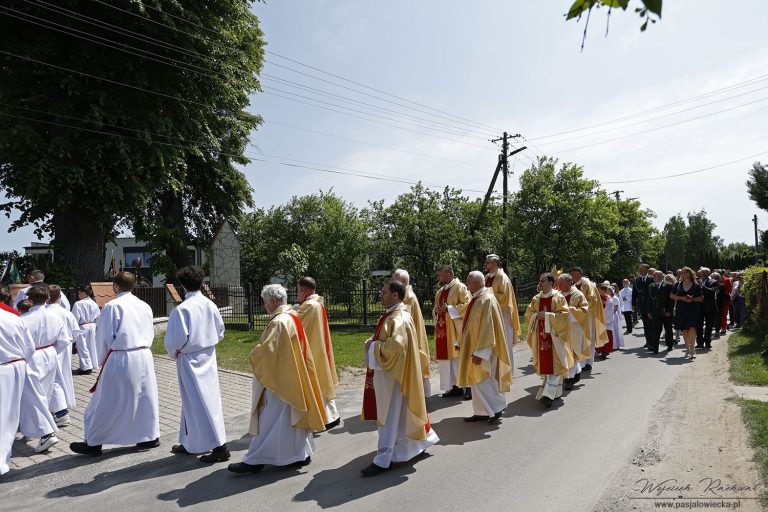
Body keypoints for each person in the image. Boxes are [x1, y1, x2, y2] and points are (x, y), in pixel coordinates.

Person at [229, 284, 326, 474]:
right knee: (291, 419)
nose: (264, 306)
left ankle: (254, 460)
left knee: (268, 419)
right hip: (292, 376)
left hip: (280, 381)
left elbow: (268, 352)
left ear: (273, 301)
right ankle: (299, 455)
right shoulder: (292, 316)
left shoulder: (279, 322)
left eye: (265, 302)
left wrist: (255, 353)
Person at [70, 272, 160, 456]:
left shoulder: (112, 307)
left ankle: (94, 442)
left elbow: (103, 336)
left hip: (121, 356)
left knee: (105, 400)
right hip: (144, 355)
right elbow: (150, 331)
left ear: (115, 286)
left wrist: (102, 359)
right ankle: (149, 436)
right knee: (144, 397)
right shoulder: (144, 305)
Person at [360, 280, 438, 476]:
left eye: (384, 292)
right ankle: (415, 445)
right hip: (394, 374)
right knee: (402, 413)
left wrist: (373, 347)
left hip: (393, 376)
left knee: (389, 415)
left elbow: (395, 349)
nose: (380, 294)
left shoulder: (399, 318)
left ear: (395, 295)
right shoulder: (394, 314)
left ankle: (383, 458)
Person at [164, 266, 229, 463]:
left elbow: (174, 341)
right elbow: (220, 331)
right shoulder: (210, 305)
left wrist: (174, 353)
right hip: (208, 356)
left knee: (200, 402)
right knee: (195, 401)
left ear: (183, 286)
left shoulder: (181, 310)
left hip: (189, 359)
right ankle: (189, 440)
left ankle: (220, 447)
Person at [18, 285, 68, 453]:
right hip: (50, 354)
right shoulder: (55, 316)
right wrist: (53, 352)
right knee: (43, 395)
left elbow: (21, 345)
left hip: (32, 358)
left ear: (29, 300)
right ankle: (33, 429)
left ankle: (46, 433)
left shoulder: (23, 320)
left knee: (33, 397)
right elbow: (64, 340)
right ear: (47, 298)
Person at [457, 271, 512, 424]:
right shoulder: (477, 298)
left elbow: (488, 329)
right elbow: (469, 324)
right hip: (475, 348)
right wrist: (460, 342)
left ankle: (496, 408)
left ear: (477, 282)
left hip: (484, 350)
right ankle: (481, 411)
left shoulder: (486, 299)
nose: (466, 283)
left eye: (469, 280)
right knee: (476, 381)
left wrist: (481, 352)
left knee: (485, 380)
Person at [295, 276, 340, 429]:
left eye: (298, 290)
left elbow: (294, 323)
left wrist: (297, 305)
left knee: (316, 383)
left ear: (304, 290)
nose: (297, 292)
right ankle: (331, 416)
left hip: (312, 350)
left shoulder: (308, 306)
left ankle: (325, 418)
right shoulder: (317, 303)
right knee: (322, 381)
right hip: (318, 346)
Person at [525, 273, 573, 408]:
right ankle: (554, 391)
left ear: (551, 283)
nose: (540, 283)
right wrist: (535, 316)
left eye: (542, 281)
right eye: (539, 281)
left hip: (555, 337)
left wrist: (546, 316)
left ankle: (548, 395)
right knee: (546, 366)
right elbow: (529, 314)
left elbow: (564, 315)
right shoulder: (536, 299)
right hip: (540, 336)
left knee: (556, 364)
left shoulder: (558, 298)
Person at [0, 305, 35, 476]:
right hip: (15, 366)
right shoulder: (14, 318)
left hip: (7, 366)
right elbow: (29, 347)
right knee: (9, 415)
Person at [432, 265, 471, 399]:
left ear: (449, 274)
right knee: (449, 361)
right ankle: (455, 386)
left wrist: (449, 308)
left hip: (456, 331)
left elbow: (468, 305)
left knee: (460, 358)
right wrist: (436, 311)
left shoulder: (460, 287)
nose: (439, 278)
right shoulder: (440, 291)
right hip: (444, 331)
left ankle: (468, 387)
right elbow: (435, 309)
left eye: (441, 275)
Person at [393, 269, 432, 398]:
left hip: (411, 336)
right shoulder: (406, 294)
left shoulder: (407, 297)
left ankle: (420, 396)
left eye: (395, 280)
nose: (392, 282)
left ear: (403, 282)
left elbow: (403, 319)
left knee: (416, 364)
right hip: (411, 334)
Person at [45, 285, 79, 427]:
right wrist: (70, 342)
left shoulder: (44, 312)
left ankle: (60, 412)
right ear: (60, 297)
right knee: (63, 376)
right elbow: (76, 332)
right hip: (64, 348)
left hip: (48, 349)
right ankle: (59, 409)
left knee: (53, 380)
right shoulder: (66, 313)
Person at [483, 254, 521, 373]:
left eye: (487, 262)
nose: (485, 264)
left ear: (494, 264)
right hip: (489, 315)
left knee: (504, 343)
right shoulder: (486, 277)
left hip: (503, 315)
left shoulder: (503, 278)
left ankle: (506, 371)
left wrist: (489, 294)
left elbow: (506, 299)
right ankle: (494, 370)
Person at [570, 267, 608, 372]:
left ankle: (587, 362)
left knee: (587, 339)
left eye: (573, 275)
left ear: (579, 275)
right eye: (571, 275)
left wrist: (580, 310)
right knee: (578, 339)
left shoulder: (587, 284)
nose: (572, 277)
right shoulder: (573, 285)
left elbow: (592, 300)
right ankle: (581, 362)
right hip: (575, 316)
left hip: (587, 316)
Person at [558, 274, 590, 390]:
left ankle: (570, 379)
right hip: (561, 328)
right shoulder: (558, 295)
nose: (559, 285)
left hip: (574, 328)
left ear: (569, 282)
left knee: (572, 352)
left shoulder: (578, 295)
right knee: (563, 352)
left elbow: (584, 310)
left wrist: (570, 310)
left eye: (561, 283)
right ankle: (574, 374)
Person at [670, 267, 703, 359]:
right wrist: (682, 298)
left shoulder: (696, 285)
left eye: (687, 273)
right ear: (681, 275)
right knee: (684, 329)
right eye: (684, 273)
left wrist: (692, 299)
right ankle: (687, 348)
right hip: (681, 309)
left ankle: (693, 349)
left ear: (691, 274)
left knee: (692, 328)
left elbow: (701, 298)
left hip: (693, 309)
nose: (685, 274)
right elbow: (672, 296)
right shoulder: (678, 284)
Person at [71, 285, 101, 375]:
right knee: (91, 346)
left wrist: (73, 328)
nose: (78, 295)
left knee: (82, 347)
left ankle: (86, 367)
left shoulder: (78, 304)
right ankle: (90, 365)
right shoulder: (94, 303)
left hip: (82, 327)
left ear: (84, 293)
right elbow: (98, 317)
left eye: (79, 293)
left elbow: (74, 317)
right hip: (92, 326)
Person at [648, 271, 674, 353]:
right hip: (655, 312)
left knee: (668, 330)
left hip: (666, 312)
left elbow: (671, 300)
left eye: (656, 275)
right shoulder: (651, 286)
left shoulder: (668, 285)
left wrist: (669, 311)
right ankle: (655, 348)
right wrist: (649, 312)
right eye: (654, 275)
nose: (654, 276)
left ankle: (669, 345)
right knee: (656, 330)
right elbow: (649, 300)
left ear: (661, 276)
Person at [697, 267, 718, 349]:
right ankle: (699, 343)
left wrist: (702, 287)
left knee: (709, 326)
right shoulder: (696, 281)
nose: (703, 274)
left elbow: (712, 292)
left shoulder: (714, 282)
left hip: (710, 306)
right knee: (699, 325)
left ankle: (707, 341)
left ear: (709, 273)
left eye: (705, 272)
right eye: (702, 272)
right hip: (698, 306)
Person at [633, 264, 653, 347]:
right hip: (642, 305)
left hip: (651, 305)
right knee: (645, 324)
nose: (640, 271)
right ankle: (648, 341)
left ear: (647, 270)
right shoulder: (637, 280)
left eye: (642, 269)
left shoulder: (651, 279)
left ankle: (653, 341)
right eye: (640, 269)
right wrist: (633, 304)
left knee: (651, 324)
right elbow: (634, 293)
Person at [595, 285, 614, 359]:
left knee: (607, 335)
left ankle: (605, 351)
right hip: (599, 319)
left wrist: (603, 303)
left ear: (603, 291)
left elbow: (608, 311)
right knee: (599, 335)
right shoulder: (597, 298)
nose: (598, 291)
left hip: (606, 320)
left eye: (599, 290)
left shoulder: (609, 299)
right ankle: (599, 349)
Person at [711, 272, 726, 340]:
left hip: (719, 304)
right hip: (711, 304)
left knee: (718, 318)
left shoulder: (721, 286)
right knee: (712, 318)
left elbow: (723, 296)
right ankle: (712, 329)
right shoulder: (710, 285)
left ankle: (717, 331)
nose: (715, 279)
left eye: (716, 278)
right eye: (713, 278)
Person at [720, 271, 732, 335]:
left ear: (722, 275)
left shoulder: (727, 280)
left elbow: (730, 289)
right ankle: (725, 325)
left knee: (724, 314)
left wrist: (722, 293)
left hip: (725, 299)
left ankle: (723, 328)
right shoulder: (715, 280)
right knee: (719, 314)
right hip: (718, 300)